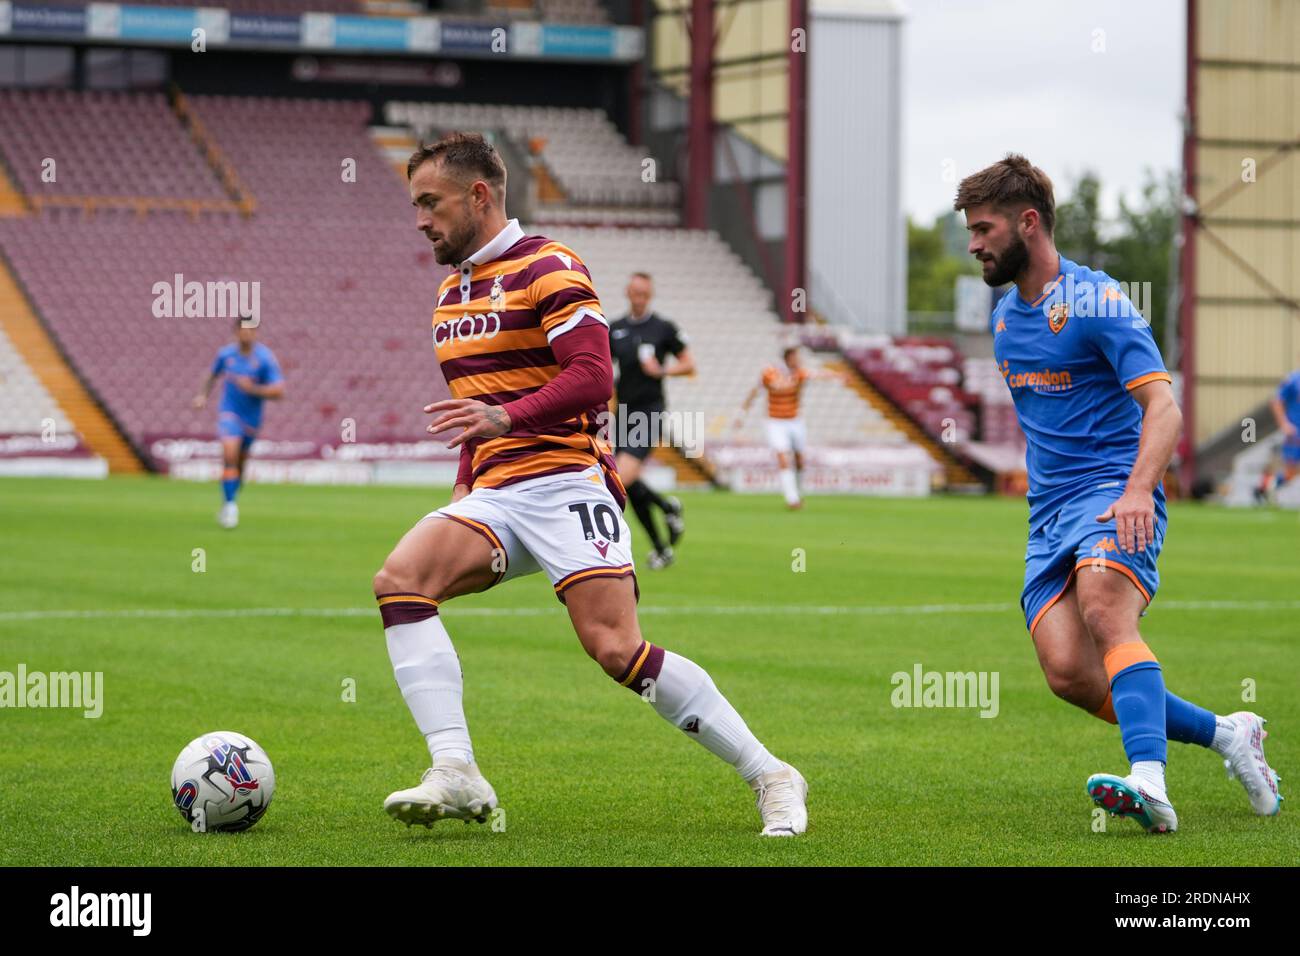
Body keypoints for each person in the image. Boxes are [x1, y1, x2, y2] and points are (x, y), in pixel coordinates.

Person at [372, 133, 808, 836]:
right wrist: (464, 487)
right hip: (496, 492)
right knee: (400, 581)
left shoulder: (549, 266)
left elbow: (592, 377)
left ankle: (771, 773)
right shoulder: (450, 294)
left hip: (567, 482)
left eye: (431, 202)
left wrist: (505, 415)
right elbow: (473, 417)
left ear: (479, 194)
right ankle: (455, 769)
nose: (420, 219)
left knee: (615, 650)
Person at [954, 154, 1281, 833]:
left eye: (983, 228)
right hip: (1048, 518)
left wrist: (1139, 490)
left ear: (1029, 221)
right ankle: (1227, 734)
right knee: (1069, 673)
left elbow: (1164, 409)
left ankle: (1149, 781)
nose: (973, 244)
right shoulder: (1005, 321)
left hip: (1114, 493)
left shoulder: (1098, 300)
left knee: (1106, 608)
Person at [607, 273, 691, 568]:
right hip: (624, 413)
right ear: (628, 293)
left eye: (644, 293)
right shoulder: (615, 329)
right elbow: (604, 368)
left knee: (619, 480)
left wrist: (662, 372)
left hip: (650, 410)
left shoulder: (663, 328)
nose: (639, 298)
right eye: (635, 293)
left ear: (650, 294)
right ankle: (662, 541)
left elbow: (689, 365)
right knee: (627, 484)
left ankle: (664, 510)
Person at [191, 316, 284, 528]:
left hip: (252, 419)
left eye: (251, 330)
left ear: (256, 333)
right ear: (236, 332)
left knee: (239, 465)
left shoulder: (265, 358)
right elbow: (211, 375)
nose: (247, 334)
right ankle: (231, 507)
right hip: (229, 413)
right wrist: (202, 396)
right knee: (229, 454)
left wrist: (253, 389)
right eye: (243, 330)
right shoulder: (226, 355)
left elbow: (279, 391)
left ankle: (228, 501)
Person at [736, 346, 848, 509]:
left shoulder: (800, 373)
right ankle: (792, 499)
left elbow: (820, 375)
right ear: (788, 358)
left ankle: (798, 491)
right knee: (782, 458)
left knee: (799, 460)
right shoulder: (769, 373)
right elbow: (754, 392)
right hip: (775, 421)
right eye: (796, 357)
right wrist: (742, 414)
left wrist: (840, 376)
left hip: (795, 421)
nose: (799, 360)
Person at [1254, 368, 1300, 503]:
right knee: (1290, 471)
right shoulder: (1293, 380)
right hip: (1295, 432)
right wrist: (1284, 424)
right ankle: (1265, 488)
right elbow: (1276, 401)